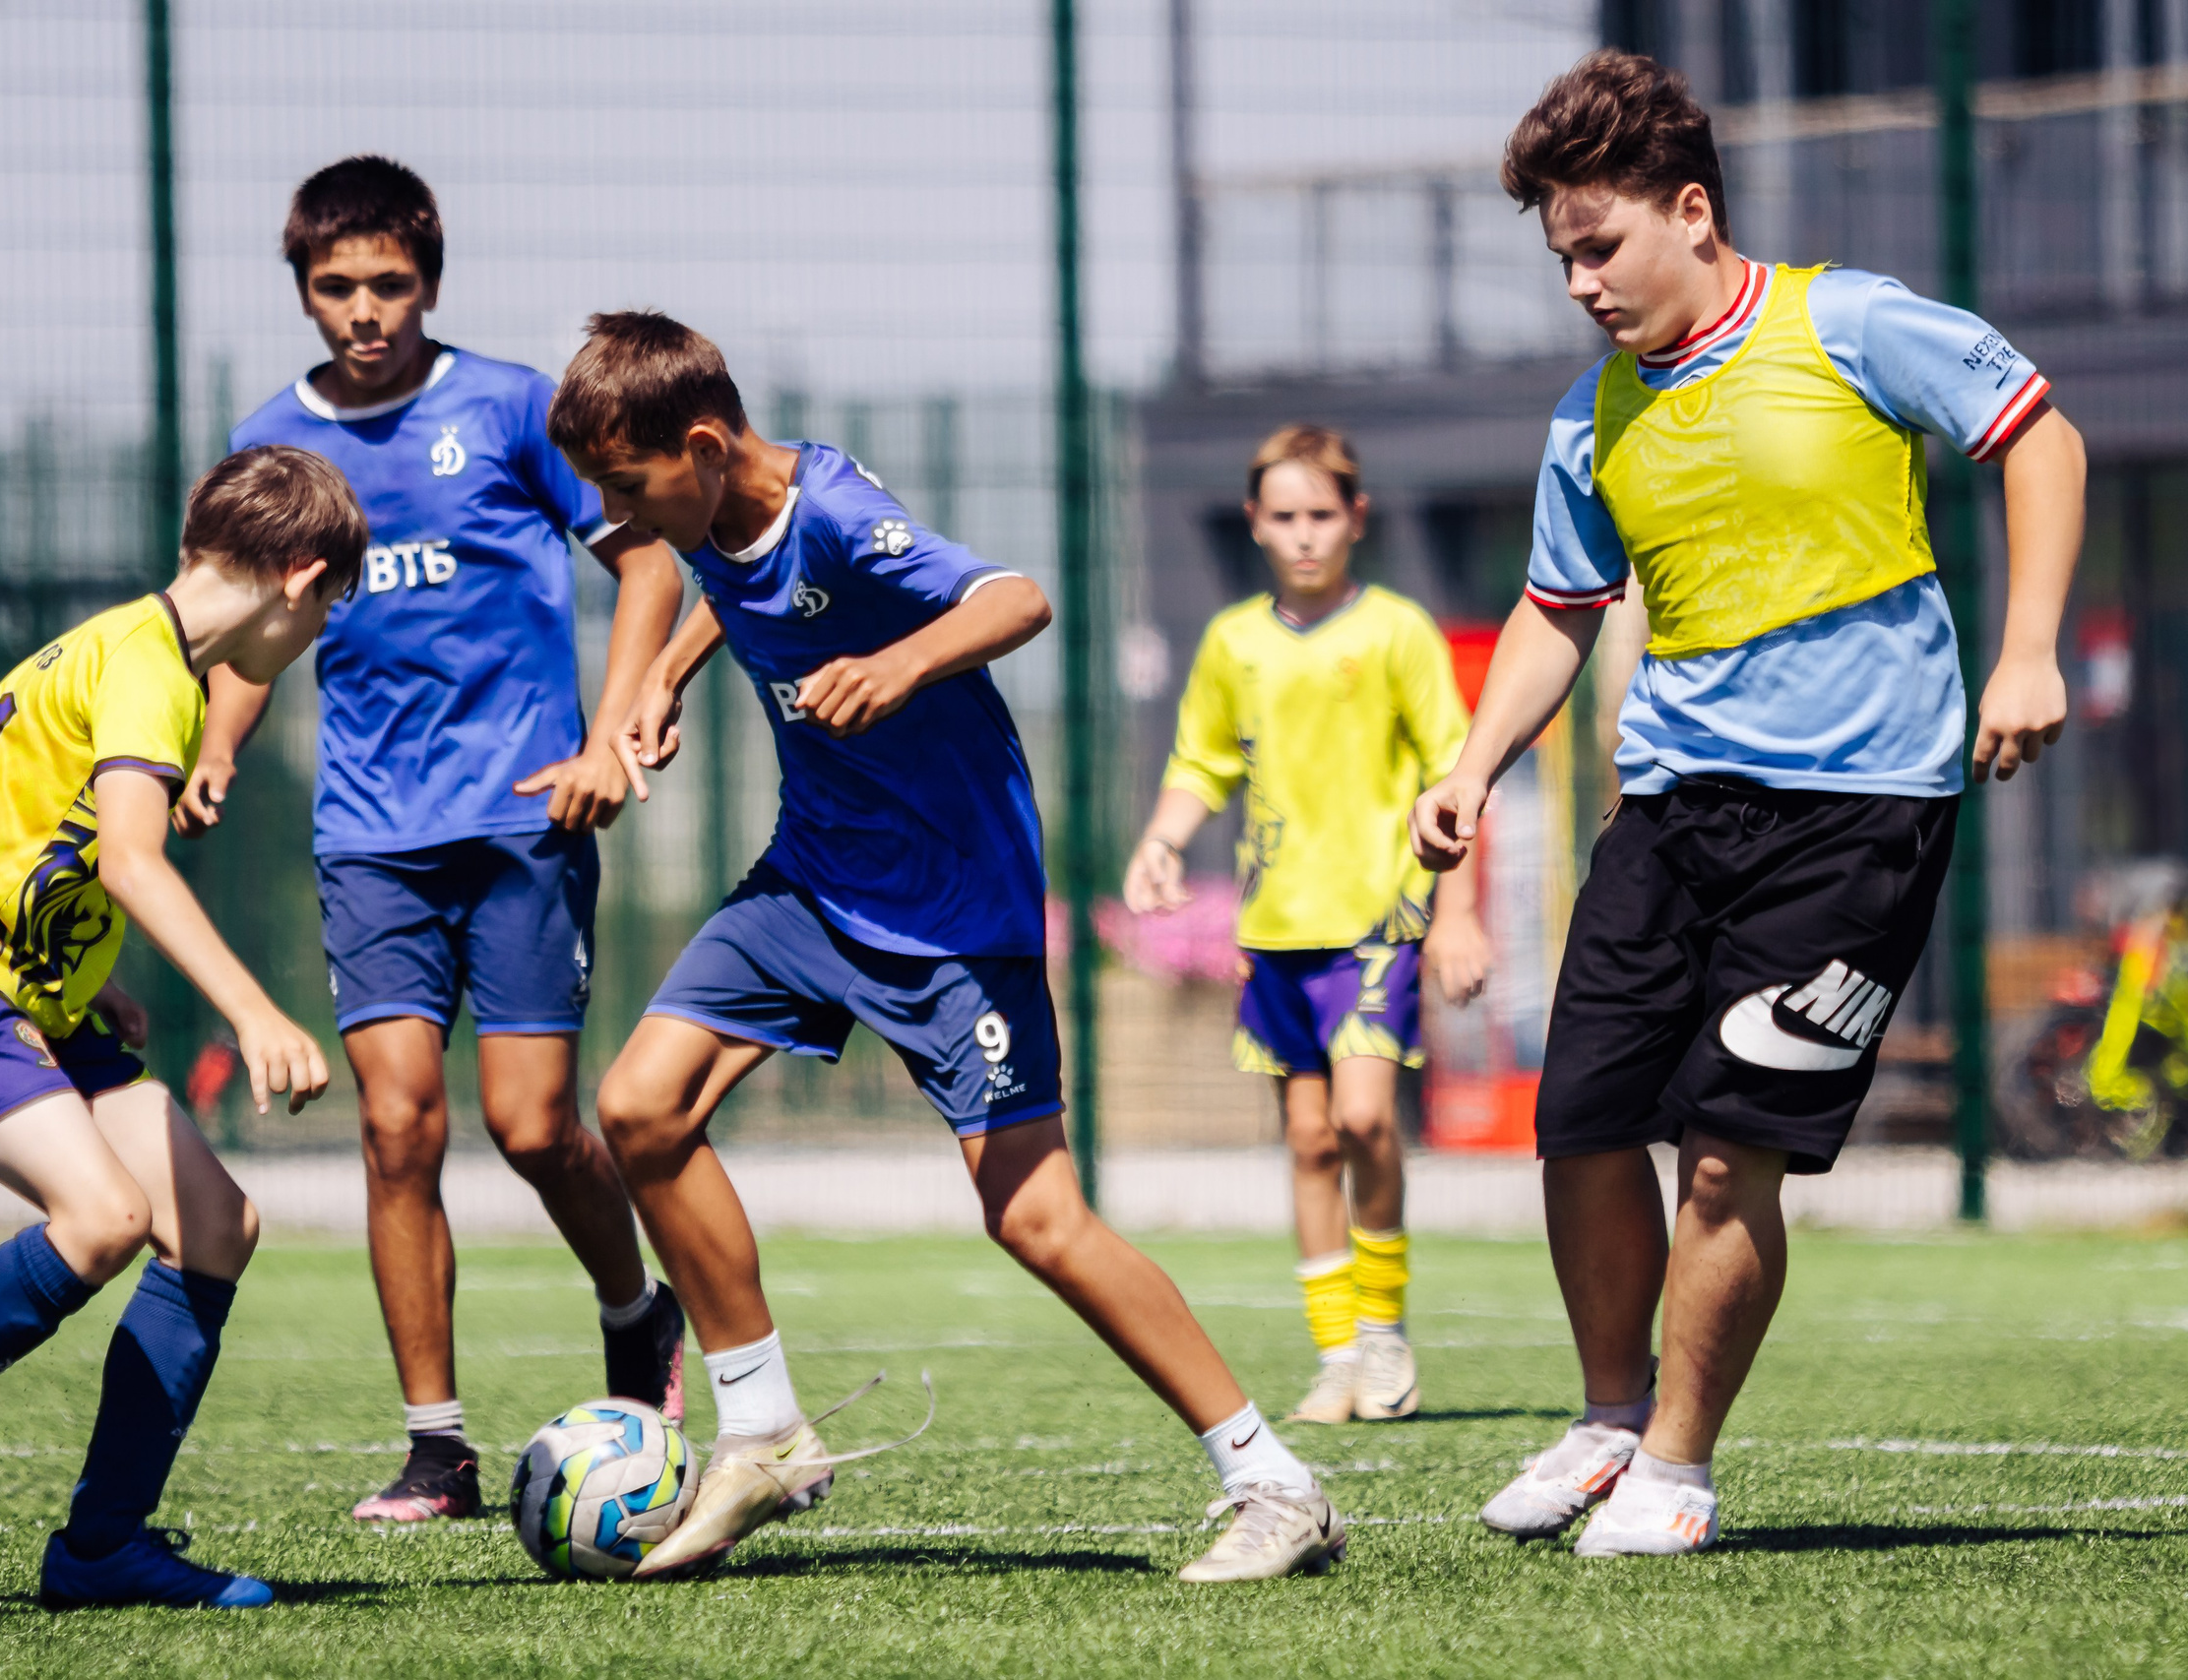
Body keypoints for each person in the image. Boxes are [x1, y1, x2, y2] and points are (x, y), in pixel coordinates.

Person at [1410, 51, 2086, 1557]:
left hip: (1858, 814)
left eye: (1600, 245)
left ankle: (1679, 1464)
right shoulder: (1592, 419)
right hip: (1669, 806)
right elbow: (1553, 611)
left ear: (1692, 211)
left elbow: (2041, 436)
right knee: (1580, 1118)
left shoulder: (1848, 321)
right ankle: (1606, 1417)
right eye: (1561, 258)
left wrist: (2029, 647)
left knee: (1728, 1147)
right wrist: (1469, 768)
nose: (1580, 282)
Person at [550, 311, 1345, 1584]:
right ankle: (760, 1430)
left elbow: (1011, 596)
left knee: (1034, 1214)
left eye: (627, 486)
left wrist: (902, 661)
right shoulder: (719, 516)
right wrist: (670, 676)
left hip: (952, 912)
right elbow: (727, 583)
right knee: (640, 1106)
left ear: (701, 447)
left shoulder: (839, 512)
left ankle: (1274, 1477)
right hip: (811, 881)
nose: (618, 515)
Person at [191, 156, 688, 1525]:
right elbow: (248, 627)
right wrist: (221, 744)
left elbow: (649, 559)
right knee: (398, 1127)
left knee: (534, 1127)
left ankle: (636, 1311)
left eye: (389, 284)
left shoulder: (513, 406)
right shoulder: (271, 444)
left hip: (525, 819)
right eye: (338, 286)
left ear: (430, 279)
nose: (365, 309)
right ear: (302, 288)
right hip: (370, 837)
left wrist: (611, 729)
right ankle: (437, 1446)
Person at [0, 445, 366, 1609]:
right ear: (299, 579)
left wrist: (74, 969)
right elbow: (128, 858)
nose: (314, 639)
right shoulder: (152, 672)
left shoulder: (123, 643)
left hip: (23, 987)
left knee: (212, 1225)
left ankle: (104, 1547)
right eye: (327, 611)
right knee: (104, 1218)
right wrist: (256, 1012)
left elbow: (23, 821)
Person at [1124, 425, 1487, 1427]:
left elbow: (1456, 775)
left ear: (1356, 518)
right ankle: (1335, 1357)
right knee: (1308, 1139)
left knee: (1367, 1120)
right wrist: (1162, 840)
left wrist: (1453, 916)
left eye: (1321, 514)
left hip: (1379, 919)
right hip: (1275, 931)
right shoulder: (1234, 641)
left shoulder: (1397, 631)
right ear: (1254, 524)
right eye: (1282, 517)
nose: (1303, 536)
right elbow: (1202, 762)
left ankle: (1382, 1334)